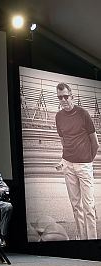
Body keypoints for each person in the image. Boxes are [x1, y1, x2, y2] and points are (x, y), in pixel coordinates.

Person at [55, 82, 99, 240]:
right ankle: (81, 240)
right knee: (76, 206)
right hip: (68, 165)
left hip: (84, 165)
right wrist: (65, 159)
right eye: (60, 97)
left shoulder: (83, 114)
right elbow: (63, 140)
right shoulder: (58, 117)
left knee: (88, 205)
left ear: (71, 96)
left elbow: (95, 142)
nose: (64, 100)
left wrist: (87, 160)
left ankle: (93, 240)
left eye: (66, 96)